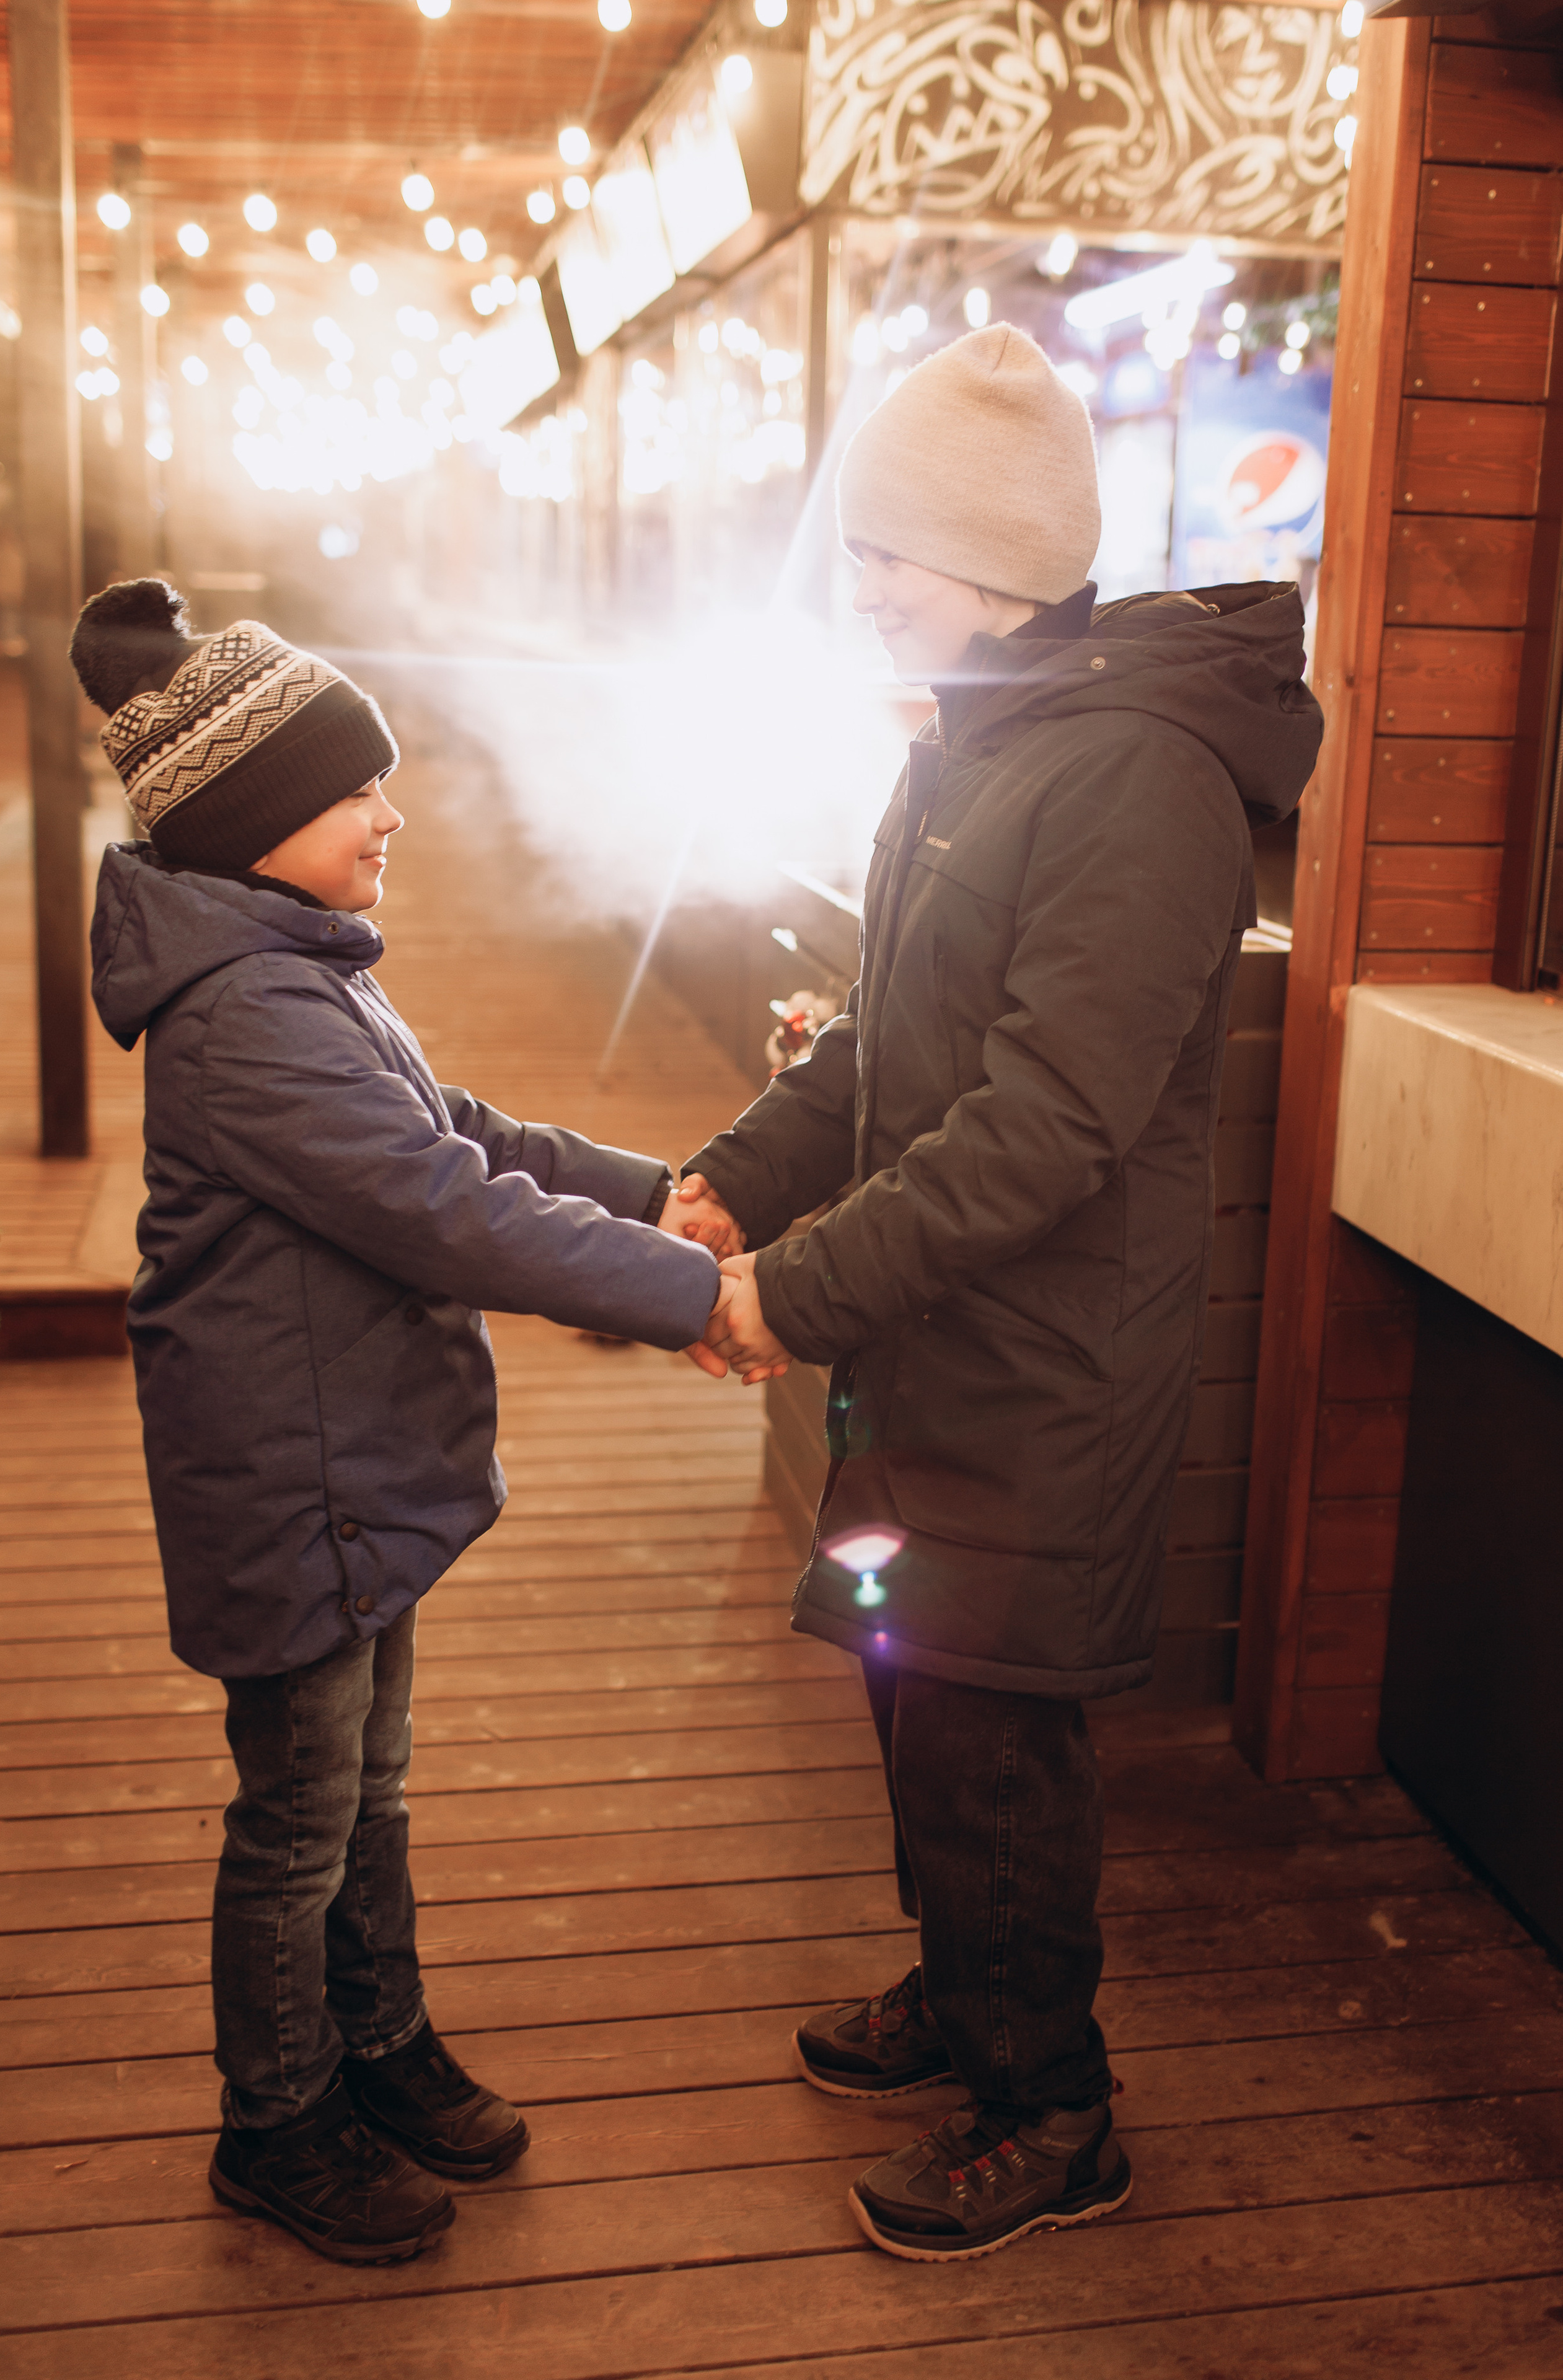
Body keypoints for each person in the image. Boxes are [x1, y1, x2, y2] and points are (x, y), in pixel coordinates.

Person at [679, 325, 1323, 2262]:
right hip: (937, 1337)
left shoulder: (1133, 776)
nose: (860, 588)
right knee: (918, 1690)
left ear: (1002, 559)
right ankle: (965, 1994)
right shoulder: (971, 742)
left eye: (891, 554)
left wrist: (791, 1293)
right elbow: (886, 1044)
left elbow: (1046, 1126)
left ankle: (1054, 2107)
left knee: (996, 1727)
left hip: (1050, 1364)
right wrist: (736, 1182)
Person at [72, 580, 734, 2267]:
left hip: (347, 1463)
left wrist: (663, 1197)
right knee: (298, 1816)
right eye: (355, 788)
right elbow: (444, 1209)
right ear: (250, 821)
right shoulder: (247, 1020)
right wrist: (692, 1299)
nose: (392, 813)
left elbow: (464, 1129)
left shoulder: (295, 967)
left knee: (367, 1793)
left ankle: (378, 2046)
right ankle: (275, 2119)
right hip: (294, 1482)